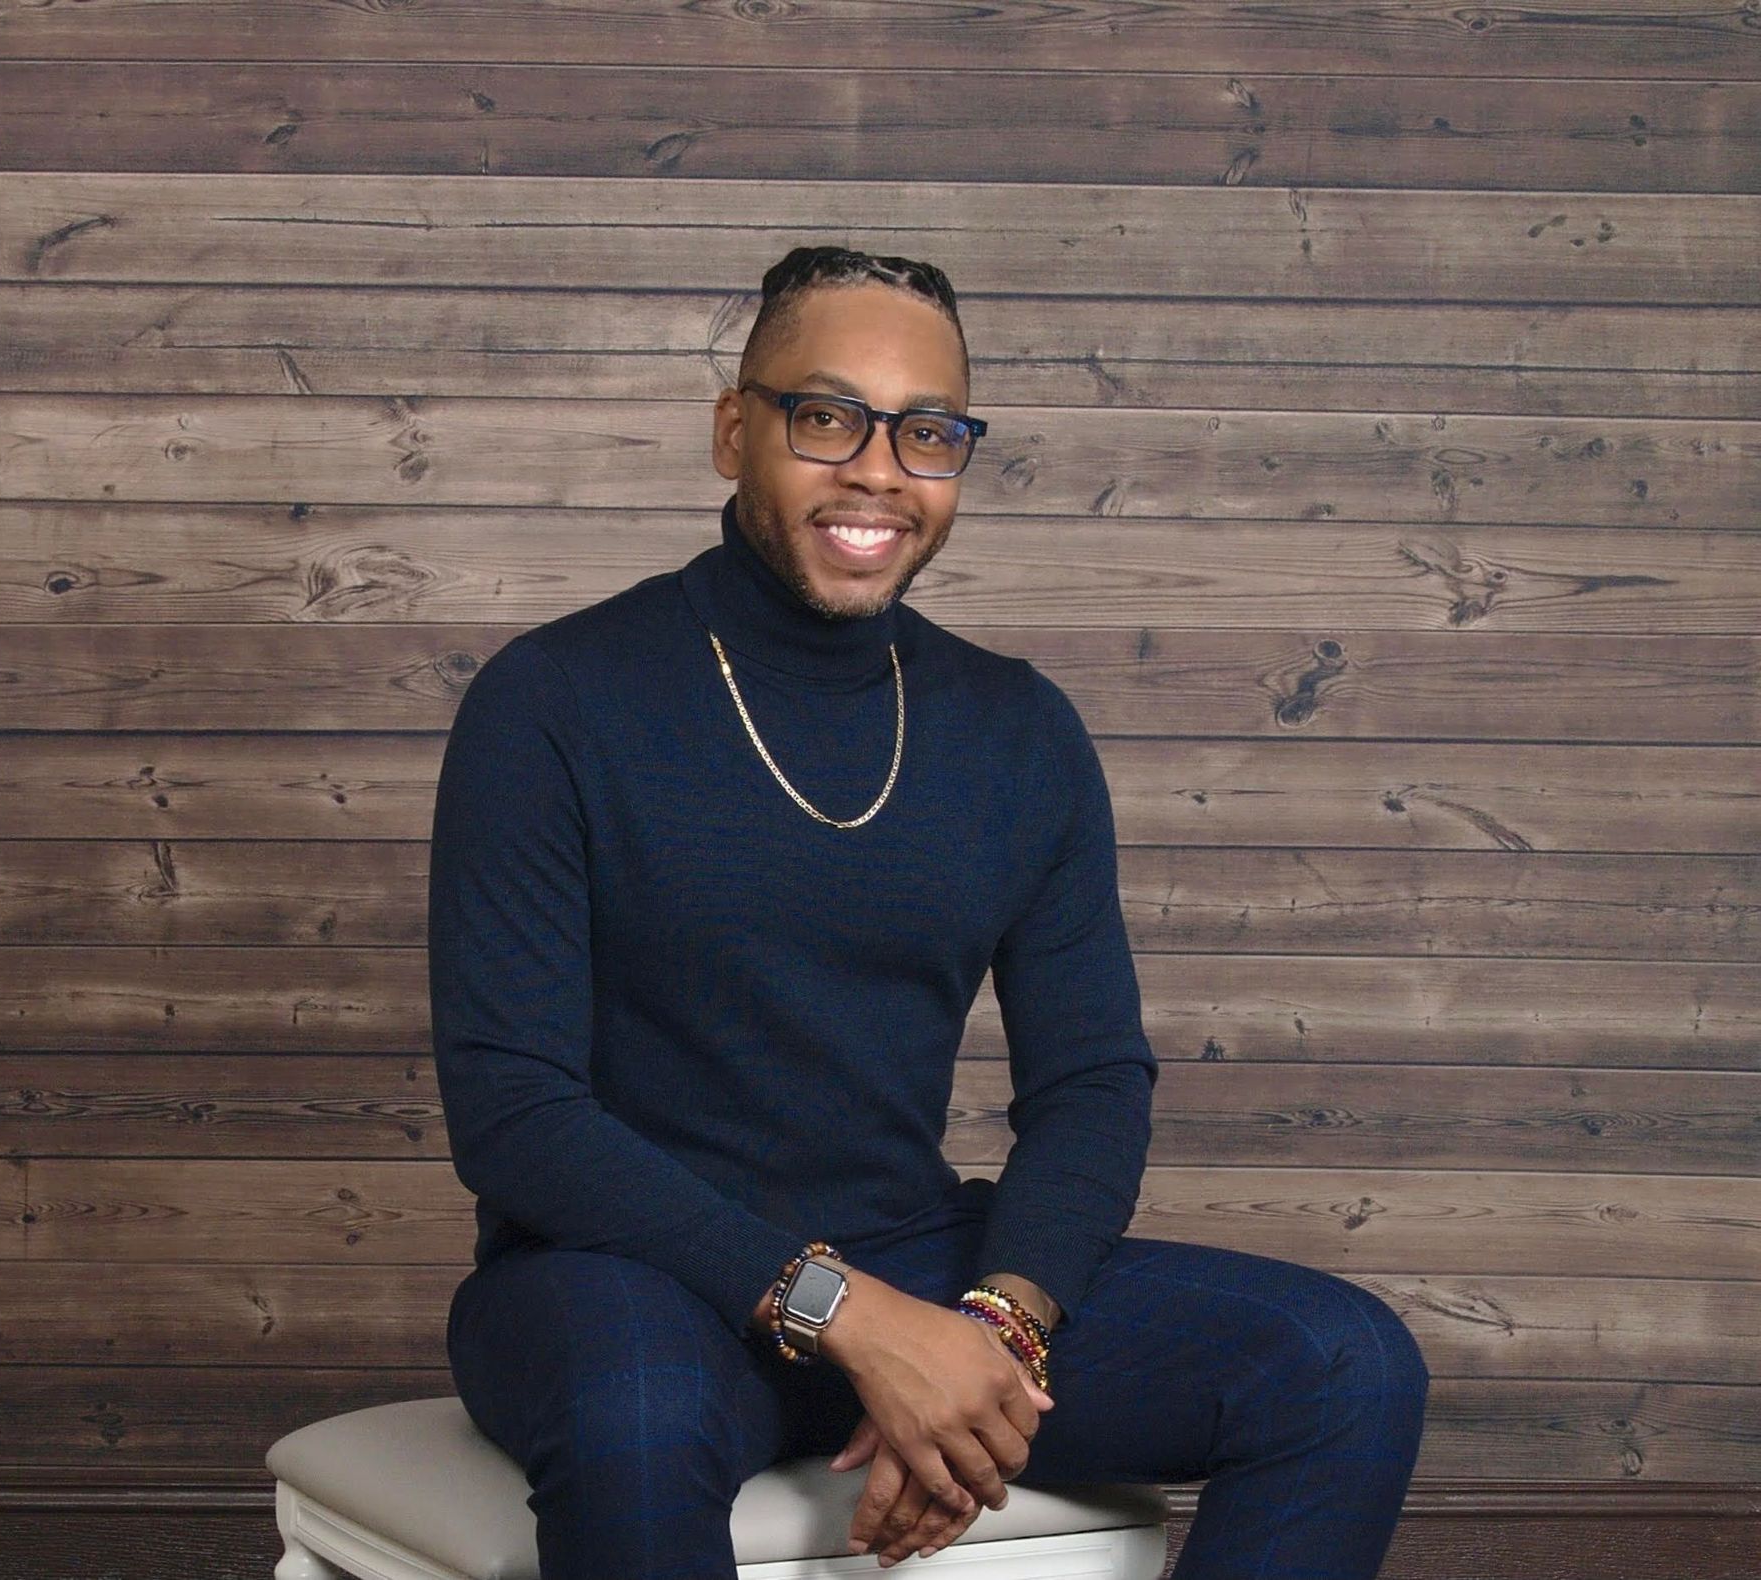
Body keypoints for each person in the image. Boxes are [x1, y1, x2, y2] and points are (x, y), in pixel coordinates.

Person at [429, 244, 1429, 1579]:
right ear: (737, 432)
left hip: (913, 1255)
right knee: (637, 1415)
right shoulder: (552, 701)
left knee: (1345, 1365)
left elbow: (1090, 1082)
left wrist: (996, 1331)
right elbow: (514, 1113)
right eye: (827, 418)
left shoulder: (1015, 728)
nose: (879, 472)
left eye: (929, 433)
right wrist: (852, 1319)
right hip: (619, 1279)